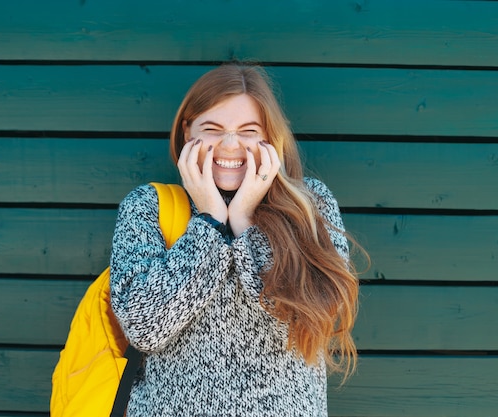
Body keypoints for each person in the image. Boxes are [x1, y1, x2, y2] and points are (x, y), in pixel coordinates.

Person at [109, 63, 360, 416]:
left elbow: (317, 317)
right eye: (212, 129)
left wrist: (244, 222)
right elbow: (144, 328)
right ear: (187, 132)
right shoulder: (148, 207)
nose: (230, 145)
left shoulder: (310, 206)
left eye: (248, 130)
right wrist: (210, 221)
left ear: (270, 138)